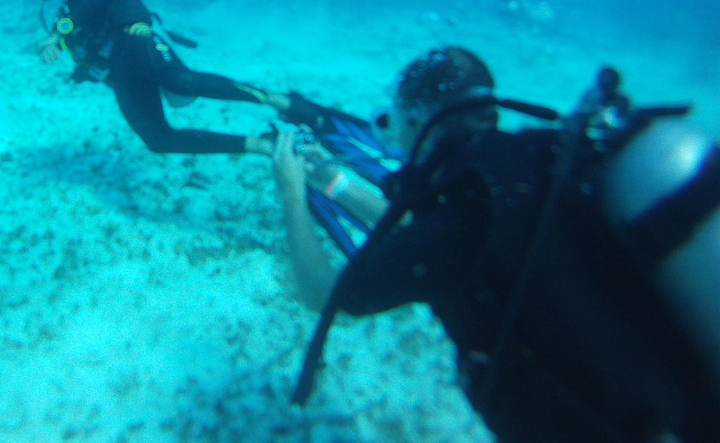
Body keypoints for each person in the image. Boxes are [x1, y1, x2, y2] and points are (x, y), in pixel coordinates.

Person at [275, 47, 720, 443]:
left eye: (395, 122)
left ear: (416, 120)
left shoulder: (459, 224)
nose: (394, 139)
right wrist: (336, 184)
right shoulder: (537, 159)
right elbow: (429, 240)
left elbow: (323, 291)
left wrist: (293, 192)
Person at [35, 0, 292, 155]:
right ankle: (260, 145)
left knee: (182, 83)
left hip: (134, 38)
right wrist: (63, 50)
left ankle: (271, 98)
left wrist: (59, 32)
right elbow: (81, 53)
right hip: (119, 72)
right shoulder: (68, 13)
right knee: (159, 140)